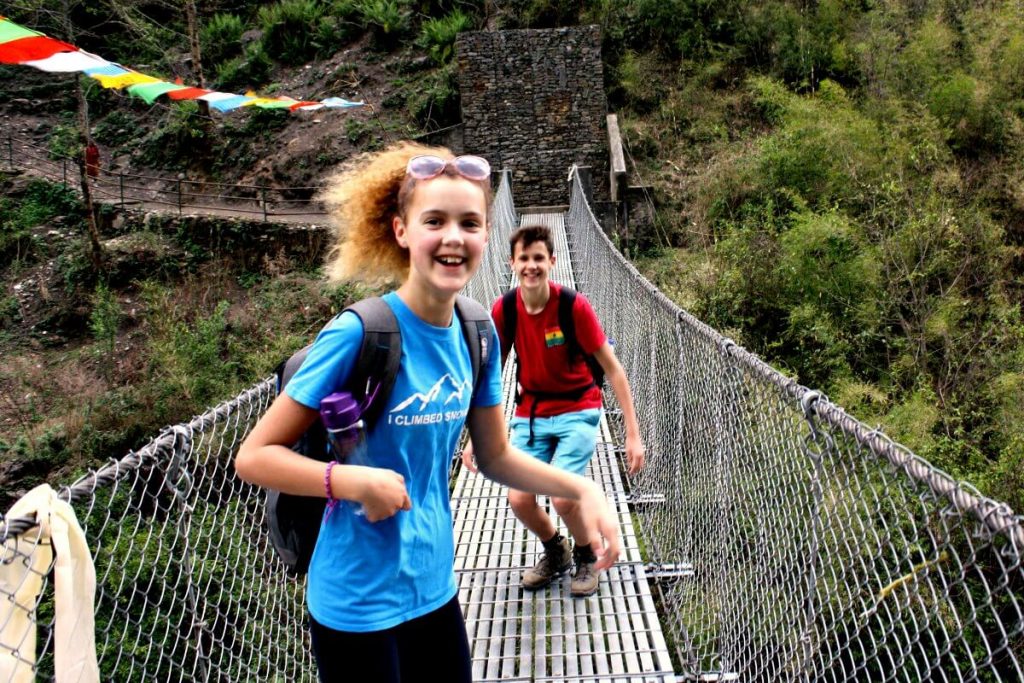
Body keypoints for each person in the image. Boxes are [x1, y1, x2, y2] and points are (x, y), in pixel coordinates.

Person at [234, 142, 621, 683]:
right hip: (357, 602)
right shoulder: (358, 333)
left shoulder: (477, 332)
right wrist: (350, 481)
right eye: (434, 220)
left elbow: (495, 456)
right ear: (401, 231)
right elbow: (252, 457)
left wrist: (582, 489)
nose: (453, 237)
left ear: (488, 236)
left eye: (470, 222)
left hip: (435, 588)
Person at [461, 224, 645, 597]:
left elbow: (613, 368)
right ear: (512, 263)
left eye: (539, 258)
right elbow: (489, 373)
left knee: (563, 497)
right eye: (524, 258)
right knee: (518, 499)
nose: (531, 266)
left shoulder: (572, 306)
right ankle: (556, 550)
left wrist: (632, 433)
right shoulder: (506, 308)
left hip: (578, 407)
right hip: (530, 413)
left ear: (552, 261)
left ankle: (586, 556)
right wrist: (475, 436)